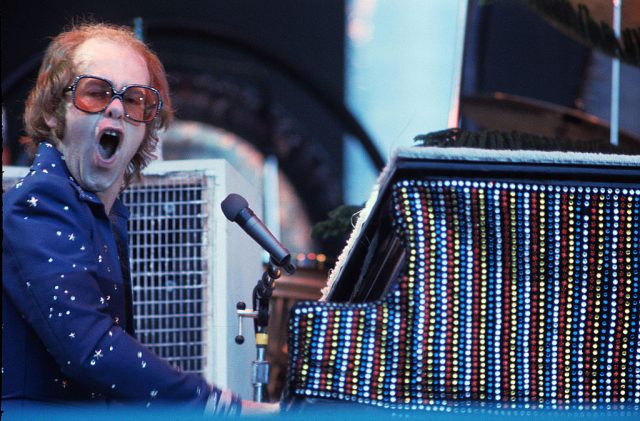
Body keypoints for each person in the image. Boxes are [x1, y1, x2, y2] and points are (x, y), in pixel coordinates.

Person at [2, 22, 276, 416]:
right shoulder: (39, 204)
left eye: (135, 100)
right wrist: (222, 406)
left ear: (147, 126)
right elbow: (92, 350)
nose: (116, 107)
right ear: (51, 114)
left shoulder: (106, 216)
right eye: (95, 92)